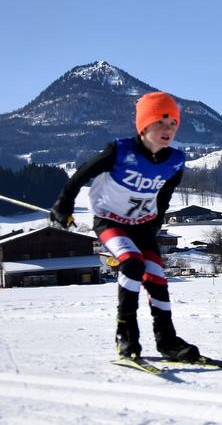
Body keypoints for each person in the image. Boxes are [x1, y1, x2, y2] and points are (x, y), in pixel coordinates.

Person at [50, 92, 199, 362]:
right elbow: (81, 174)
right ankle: (126, 335)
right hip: (110, 221)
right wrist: (64, 204)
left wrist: (156, 222)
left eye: (173, 124)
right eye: (161, 123)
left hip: (142, 226)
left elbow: (164, 195)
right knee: (132, 264)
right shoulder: (119, 151)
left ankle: (167, 341)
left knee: (157, 278)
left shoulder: (175, 161)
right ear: (144, 126)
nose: (168, 130)